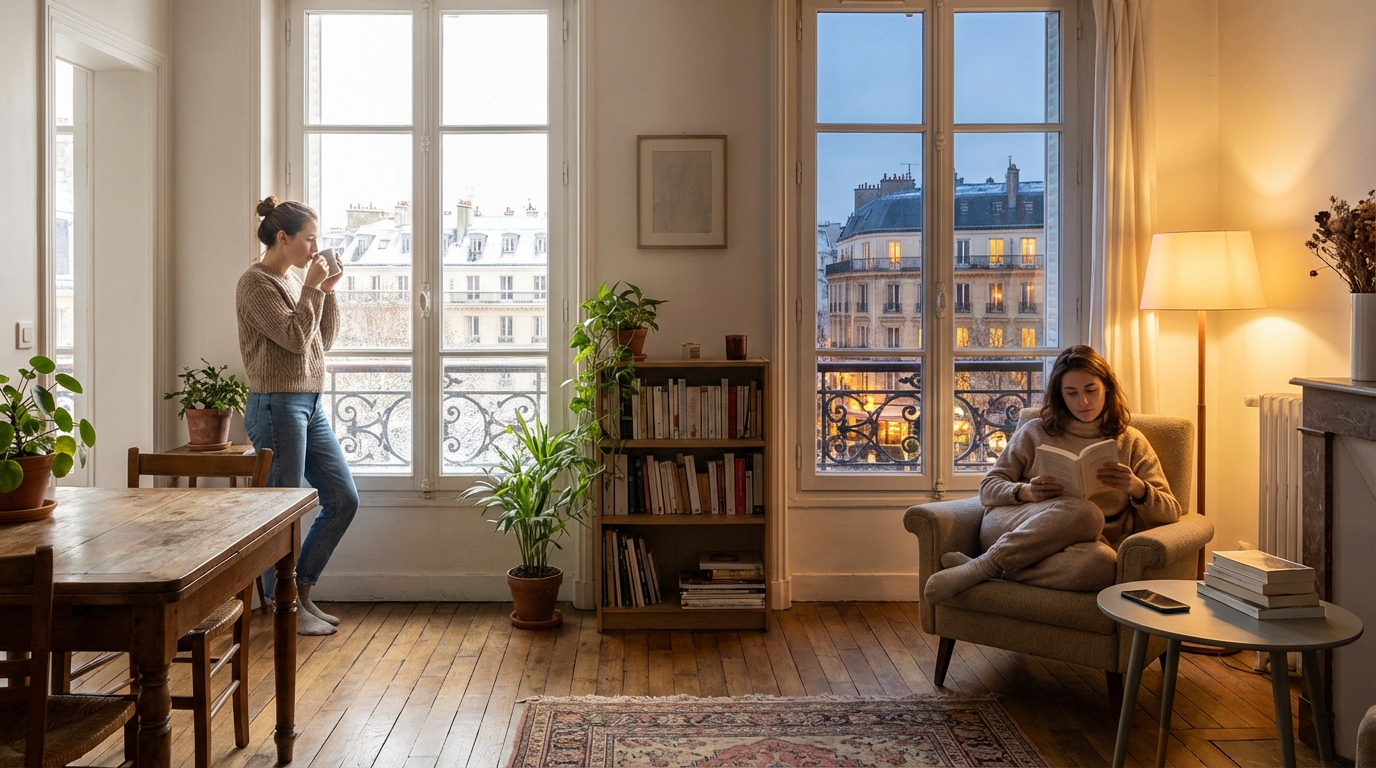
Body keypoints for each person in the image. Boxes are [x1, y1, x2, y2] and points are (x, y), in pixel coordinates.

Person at [923, 345, 1181, 604]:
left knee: (1104, 564)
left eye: (1091, 390)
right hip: (1013, 526)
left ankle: (995, 570)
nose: (1083, 401)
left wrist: (1138, 488)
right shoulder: (1035, 431)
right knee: (1086, 513)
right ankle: (982, 567)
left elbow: (1171, 511)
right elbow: (987, 488)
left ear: (1107, 388)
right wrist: (1025, 491)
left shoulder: (1131, 441)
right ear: (1060, 395)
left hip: (1076, 547)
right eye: (1071, 393)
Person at [236, 196, 358, 635]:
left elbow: (319, 341)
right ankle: (282, 605)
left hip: (308, 403)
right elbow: (292, 338)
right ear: (283, 238)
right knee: (282, 510)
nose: (315, 248)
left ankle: (299, 592)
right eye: (310, 239)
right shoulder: (255, 283)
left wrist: (326, 291)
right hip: (276, 404)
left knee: (342, 499)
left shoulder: (293, 281)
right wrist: (311, 288)